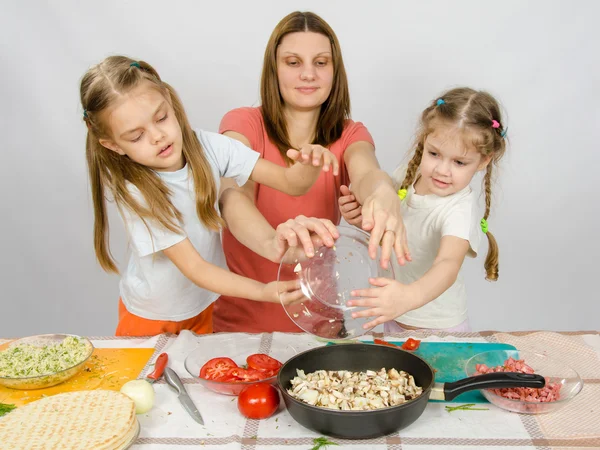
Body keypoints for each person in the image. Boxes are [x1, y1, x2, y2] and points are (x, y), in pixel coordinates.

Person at [80, 55, 338, 336]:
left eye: (161, 118)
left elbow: (290, 182)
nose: (157, 136)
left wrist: (312, 163)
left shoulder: (209, 147)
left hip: (202, 306)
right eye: (136, 136)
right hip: (151, 317)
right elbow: (195, 268)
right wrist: (263, 291)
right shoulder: (137, 192)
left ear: (168, 98)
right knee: (144, 380)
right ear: (113, 145)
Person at [213, 11, 410, 333]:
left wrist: (383, 193)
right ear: (273, 70)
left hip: (322, 326)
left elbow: (367, 174)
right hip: (240, 326)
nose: (308, 74)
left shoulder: (350, 133)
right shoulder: (242, 123)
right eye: (293, 62)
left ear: (335, 72)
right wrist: (276, 246)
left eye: (320, 62)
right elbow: (232, 196)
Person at [341, 87, 507, 332]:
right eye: (434, 153)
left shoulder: (458, 210)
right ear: (424, 141)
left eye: (459, 162)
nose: (442, 170)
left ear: (483, 160)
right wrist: (362, 218)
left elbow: (448, 264)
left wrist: (407, 297)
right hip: (394, 313)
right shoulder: (410, 175)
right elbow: (394, 223)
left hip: (436, 327)